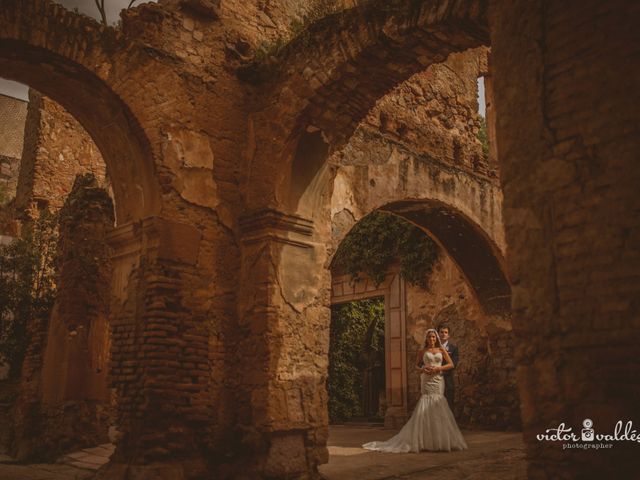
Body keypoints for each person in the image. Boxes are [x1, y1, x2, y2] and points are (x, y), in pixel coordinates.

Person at [362, 329, 467, 453]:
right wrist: (423, 369)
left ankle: (441, 440)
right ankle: (424, 440)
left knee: (439, 404)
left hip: (438, 380)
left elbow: (451, 365)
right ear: (426, 339)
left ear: (436, 338)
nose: (432, 339)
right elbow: (416, 366)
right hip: (427, 380)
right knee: (426, 402)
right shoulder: (422, 351)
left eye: (433, 337)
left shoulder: (441, 350)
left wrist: (439, 368)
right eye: (429, 337)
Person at [437, 324, 458, 409]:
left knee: (449, 403)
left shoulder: (453, 348)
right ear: (438, 333)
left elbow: (454, 364)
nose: (443, 334)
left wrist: (441, 370)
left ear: (448, 335)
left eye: (446, 332)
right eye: (441, 332)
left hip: (448, 379)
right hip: (435, 379)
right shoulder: (433, 347)